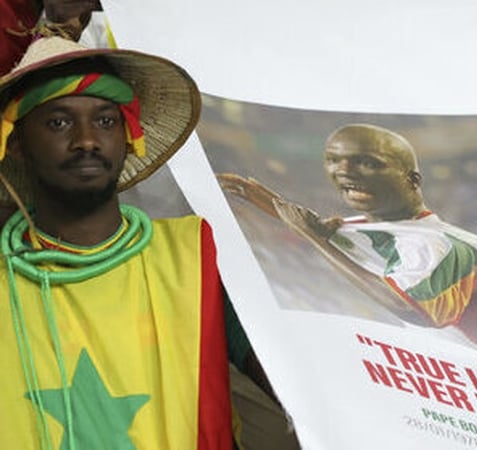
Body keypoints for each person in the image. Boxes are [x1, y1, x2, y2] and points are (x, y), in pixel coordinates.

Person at [0, 36, 297, 449]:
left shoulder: (196, 258)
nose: (87, 140)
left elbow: (297, 383)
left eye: (105, 121)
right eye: (59, 122)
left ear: (128, 137)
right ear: (16, 146)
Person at [218, 123, 477, 377]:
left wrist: (312, 237)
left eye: (367, 162)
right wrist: (261, 197)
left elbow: (412, 308)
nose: (344, 172)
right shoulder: (374, 227)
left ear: (413, 180)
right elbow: (322, 228)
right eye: (334, 161)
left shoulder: (448, 247)